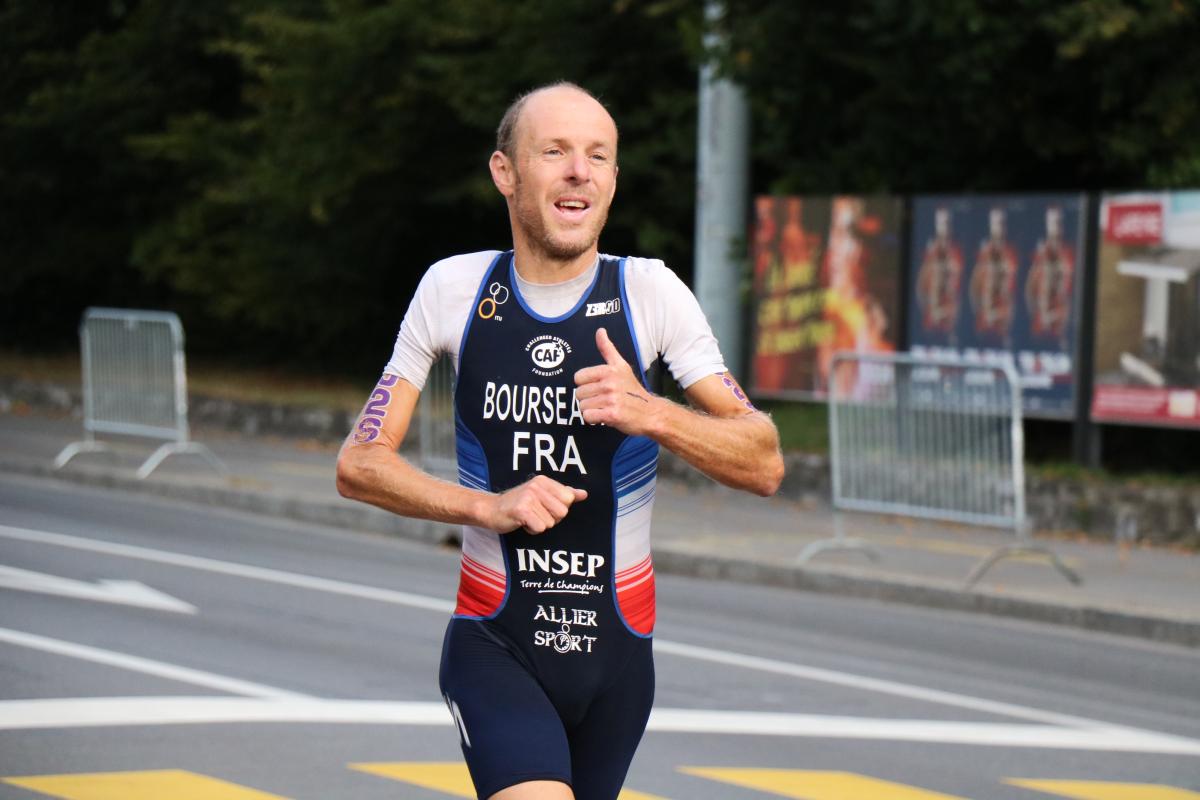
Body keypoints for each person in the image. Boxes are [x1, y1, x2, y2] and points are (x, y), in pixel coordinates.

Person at [336, 81, 784, 800]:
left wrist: (654, 414)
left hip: (618, 660)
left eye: (598, 156)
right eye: (555, 151)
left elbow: (763, 459)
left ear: (612, 181)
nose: (580, 170)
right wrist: (485, 508)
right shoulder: (454, 289)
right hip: (497, 641)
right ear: (505, 174)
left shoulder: (651, 294)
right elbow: (359, 464)